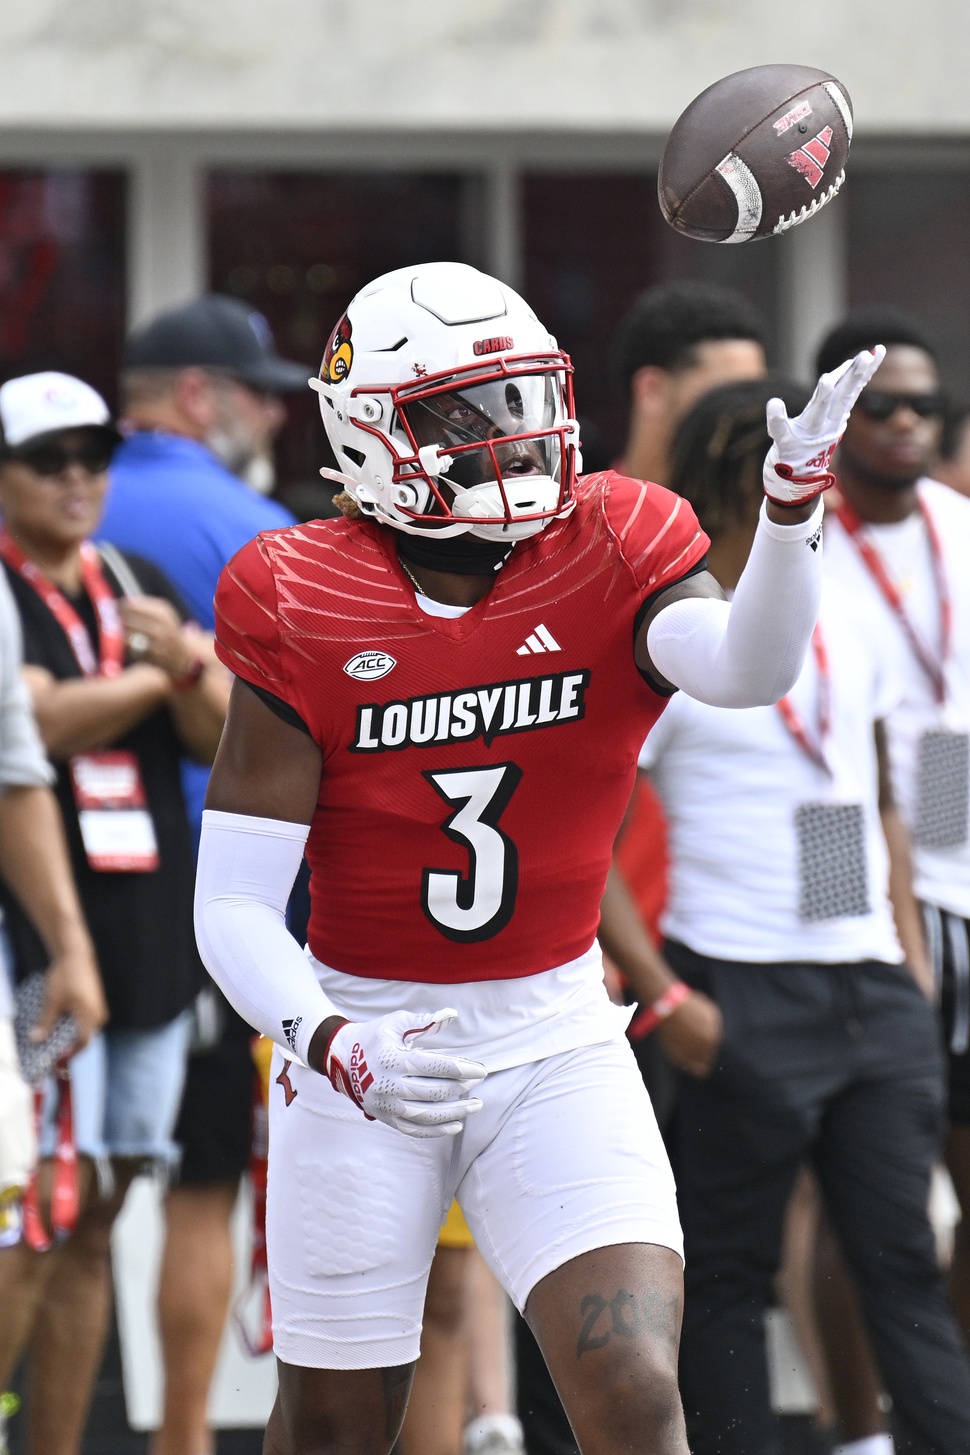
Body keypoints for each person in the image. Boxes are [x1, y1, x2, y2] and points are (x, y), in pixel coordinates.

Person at [193, 260, 876, 1455]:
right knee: (335, 1430)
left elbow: (746, 671)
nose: (509, 440)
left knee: (632, 1392)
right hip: (363, 1030)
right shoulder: (301, 592)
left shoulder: (612, 535)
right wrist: (328, 1039)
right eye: (463, 414)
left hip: (555, 1030)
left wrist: (787, 513)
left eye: (519, 401)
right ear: (366, 437)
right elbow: (237, 903)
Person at [629, 374, 970, 1455]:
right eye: (791, 475)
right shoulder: (674, 638)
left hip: (863, 985)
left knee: (900, 1257)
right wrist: (665, 995)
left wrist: (899, 961)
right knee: (726, 1271)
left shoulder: (842, 620)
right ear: (737, 483)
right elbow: (584, 837)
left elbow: (855, 790)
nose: (813, 497)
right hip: (732, 982)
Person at [0, 371, 227, 1455]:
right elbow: (34, 733)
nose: (80, 478)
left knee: (101, 1214)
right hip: (37, 942)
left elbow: (219, 731)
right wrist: (166, 670)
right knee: (33, 1219)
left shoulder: (127, 580)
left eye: (94, 454)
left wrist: (185, 664)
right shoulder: (7, 593)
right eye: (50, 460)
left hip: (143, 937)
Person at [98, 294, 303, 1455]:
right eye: (256, 388)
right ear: (195, 393)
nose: (270, 409)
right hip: (207, 898)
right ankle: (181, 1442)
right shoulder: (249, 524)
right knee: (196, 1183)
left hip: (56, 893)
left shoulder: (50, 496)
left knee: (62, 1190)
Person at [818, 309, 970, 1358]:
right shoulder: (803, 538)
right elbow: (806, 743)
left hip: (955, 853)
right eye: (881, 406)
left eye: (927, 406)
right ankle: (851, 1424)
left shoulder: (956, 527)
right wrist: (846, 916)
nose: (909, 423)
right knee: (850, 1181)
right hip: (835, 861)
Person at [612, 279, 767, 488]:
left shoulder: (769, 516)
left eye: (755, 396)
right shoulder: (575, 516)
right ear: (653, 391)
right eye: (726, 396)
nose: (746, 414)